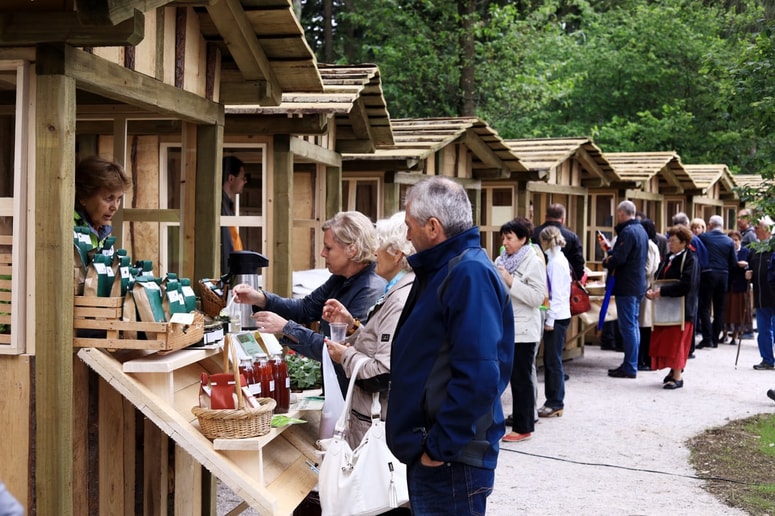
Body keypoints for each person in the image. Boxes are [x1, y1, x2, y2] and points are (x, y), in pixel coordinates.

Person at [386, 177, 513, 515]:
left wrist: (438, 449)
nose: (407, 235)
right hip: (438, 453)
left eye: (409, 225)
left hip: (451, 460)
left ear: (433, 227)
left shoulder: (468, 273)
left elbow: (480, 375)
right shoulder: (444, 269)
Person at [232, 211, 386, 394]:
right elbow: (305, 308)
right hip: (338, 388)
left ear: (352, 250)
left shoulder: (370, 289)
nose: (322, 253)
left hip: (356, 395)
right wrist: (260, 298)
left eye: (328, 248)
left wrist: (286, 328)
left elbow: (342, 349)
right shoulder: (341, 277)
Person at [321, 212, 415, 448]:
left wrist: (344, 356)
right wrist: (353, 327)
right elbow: (384, 344)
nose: (374, 253)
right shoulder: (396, 288)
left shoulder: (400, 298)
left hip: (376, 424)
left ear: (396, 253)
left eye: (379, 247)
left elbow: (382, 372)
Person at [495, 218, 546, 441]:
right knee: (507, 377)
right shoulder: (500, 260)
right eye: (503, 238)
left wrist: (510, 281)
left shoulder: (533, 261)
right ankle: (514, 422)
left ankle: (523, 427)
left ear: (523, 239)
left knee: (521, 379)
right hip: (505, 327)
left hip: (525, 330)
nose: (505, 242)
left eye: (510, 238)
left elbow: (537, 298)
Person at [645, 225, 700, 389]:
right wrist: (652, 290)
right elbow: (658, 277)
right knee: (667, 341)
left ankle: (677, 377)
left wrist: (662, 292)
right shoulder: (669, 257)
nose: (670, 243)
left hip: (682, 309)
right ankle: (672, 371)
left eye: (674, 241)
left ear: (684, 242)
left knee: (677, 343)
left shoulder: (691, 259)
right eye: (669, 240)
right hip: (667, 308)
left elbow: (687, 284)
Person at [603, 200, 648, 379]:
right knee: (633, 326)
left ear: (622, 214)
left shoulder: (628, 232)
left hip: (627, 285)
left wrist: (607, 259)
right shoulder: (641, 230)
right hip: (637, 284)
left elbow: (620, 258)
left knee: (628, 327)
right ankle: (631, 363)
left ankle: (630, 366)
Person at [538, 225, 571, 417]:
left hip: (557, 317)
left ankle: (556, 401)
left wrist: (550, 319)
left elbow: (556, 295)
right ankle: (553, 400)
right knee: (552, 360)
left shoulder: (555, 263)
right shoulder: (558, 259)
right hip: (559, 315)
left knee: (553, 360)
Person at [696, 215, 737, 349]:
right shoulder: (729, 241)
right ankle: (714, 338)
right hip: (723, 275)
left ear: (710, 225)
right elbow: (733, 263)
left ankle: (707, 338)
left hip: (708, 273)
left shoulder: (704, 237)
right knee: (720, 309)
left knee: (704, 307)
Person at [74, 155, 131, 247]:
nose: (115, 207)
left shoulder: (101, 231)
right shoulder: (70, 230)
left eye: (118, 199)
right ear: (83, 197)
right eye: (109, 198)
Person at [745, 215, 775, 371]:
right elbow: (750, 266)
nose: (754, 231)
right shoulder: (755, 249)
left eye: (757, 228)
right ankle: (767, 360)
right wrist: (748, 273)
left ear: (767, 230)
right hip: (761, 295)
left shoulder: (774, 246)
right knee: (763, 330)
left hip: (773, 294)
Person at [532, 203, 585, 280]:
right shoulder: (572, 237)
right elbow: (578, 264)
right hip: (563, 279)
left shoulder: (533, 234)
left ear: (546, 216)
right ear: (563, 219)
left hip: (536, 279)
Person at [638, 218, 661, 371]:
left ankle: (645, 359)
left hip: (646, 286)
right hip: (649, 285)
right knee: (645, 325)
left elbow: (648, 268)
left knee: (644, 325)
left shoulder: (648, 245)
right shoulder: (652, 245)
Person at [221, 155, 249, 274]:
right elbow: (226, 245)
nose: (245, 181)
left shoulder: (226, 204)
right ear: (231, 179)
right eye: (242, 177)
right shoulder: (220, 206)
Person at [722, 230, 751, 344]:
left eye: (736, 240)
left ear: (740, 241)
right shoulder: (727, 251)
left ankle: (735, 335)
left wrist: (745, 265)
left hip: (740, 285)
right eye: (731, 240)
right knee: (726, 310)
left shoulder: (745, 252)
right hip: (728, 284)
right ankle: (724, 333)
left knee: (738, 311)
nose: (734, 242)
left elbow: (750, 266)